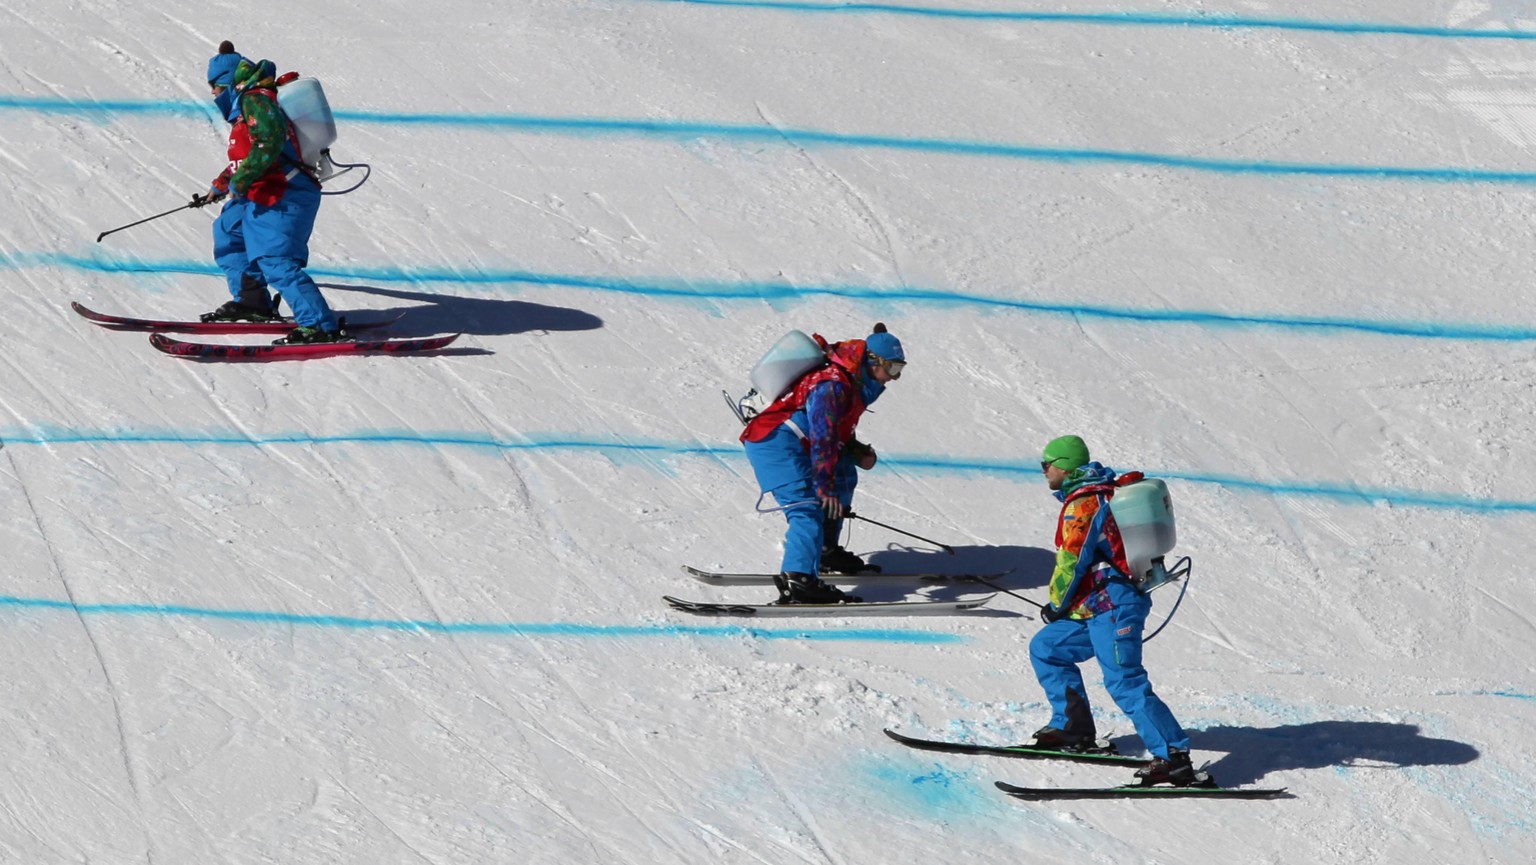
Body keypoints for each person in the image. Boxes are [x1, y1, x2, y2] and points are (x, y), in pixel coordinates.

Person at [1029, 435, 1197, 786]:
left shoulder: (1085, 503)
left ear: (1064, 466)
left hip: (1114, 605)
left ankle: (1173, 758)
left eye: (1047, 464)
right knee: (1048, 648)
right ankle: (1072, 727)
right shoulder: (1093, 494)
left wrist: (1057, 604)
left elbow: (1073, 560)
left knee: (1124, 679)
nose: (1044, 471)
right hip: (1095, 605)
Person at [740, 323, 906, 603]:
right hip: (774, 443)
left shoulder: (856, 382)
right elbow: (824, 436)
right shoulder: (832, 385)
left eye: (899, 370)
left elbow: (836, 430)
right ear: (873, 361)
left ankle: (825, 549)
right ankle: (799, 579)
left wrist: (854, 451)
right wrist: (823, 486)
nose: (894, 377)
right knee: (807, 508)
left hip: (796, 440)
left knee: (844, 475)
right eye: (892, 369)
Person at [191, 49, 343, 343]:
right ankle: (253, 300)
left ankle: (320, 325)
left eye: (215, 85)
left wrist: (242, 179)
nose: (212, 92)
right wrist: (222, 184)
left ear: (227, 81)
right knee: (228, 233)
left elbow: (270, 141)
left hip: (285, 192)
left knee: (274, 257)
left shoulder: (255, 99)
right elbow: (250, 154)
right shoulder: (244, 106)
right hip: (261, 191)